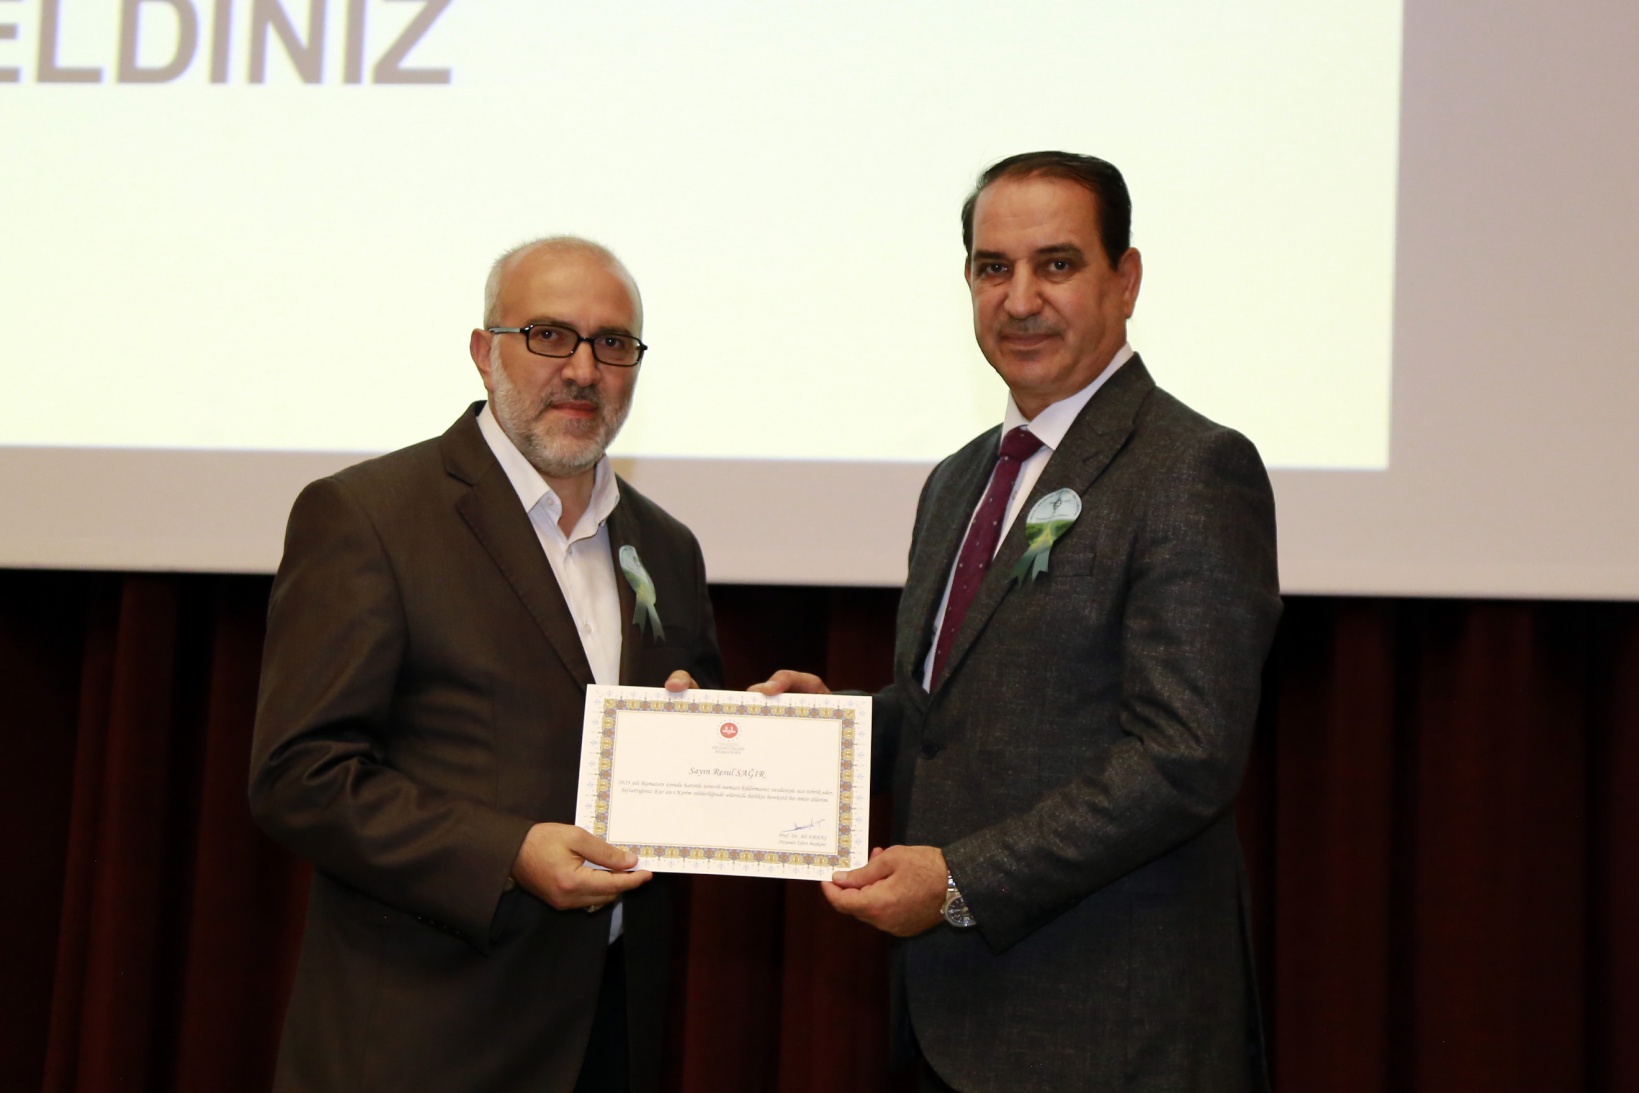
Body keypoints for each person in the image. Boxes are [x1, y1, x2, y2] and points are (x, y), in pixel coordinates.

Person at [754, 152, 1283, 1091]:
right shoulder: (958, 479)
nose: (1020, 298)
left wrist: (961, 880)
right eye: (992, 268)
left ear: (1125, 279)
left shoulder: (1191, 467)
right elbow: (946, 709)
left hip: (1108, 1030)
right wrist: (831, 729)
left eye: (1057, 264)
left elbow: (1183, 756)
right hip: (948, 1022)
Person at [249, 236, 723, 1093]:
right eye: (549, 334)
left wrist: (734, 729)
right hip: (426, 1041)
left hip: (610, 1034)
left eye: (613, 343)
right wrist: (507, 852)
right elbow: (299, 774)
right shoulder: (368, 516)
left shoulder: (667, 546)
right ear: (484, 351)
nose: (582, 369)